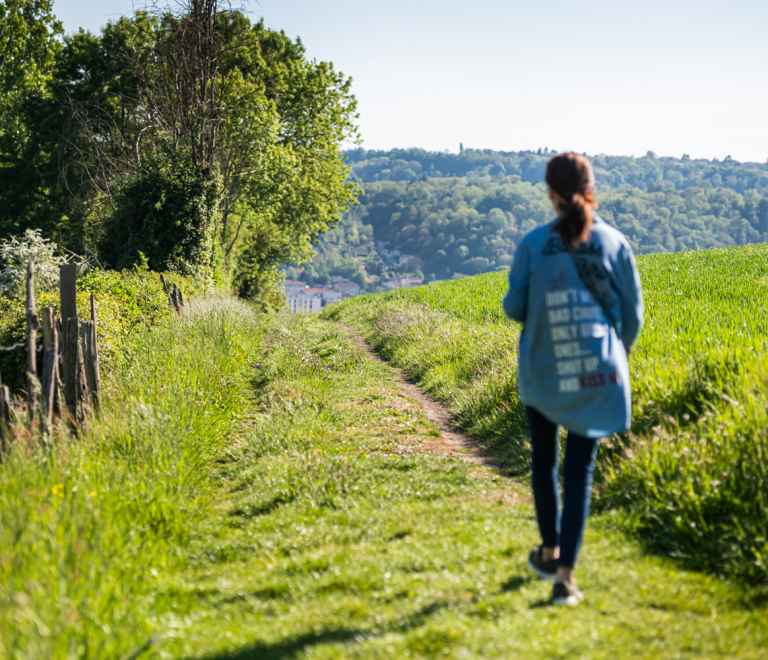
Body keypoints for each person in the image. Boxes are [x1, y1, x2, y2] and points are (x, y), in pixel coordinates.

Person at [503, 152, 643, 605]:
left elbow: (515, 308)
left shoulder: (532, 244)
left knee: (544, 462)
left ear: (549, 191)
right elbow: (633, 316)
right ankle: (565, 578)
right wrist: (615, 353)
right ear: (590, 186)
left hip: (544, 369)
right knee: (579, 471)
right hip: (597, 376)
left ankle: (548, 548)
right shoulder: (614, 241)